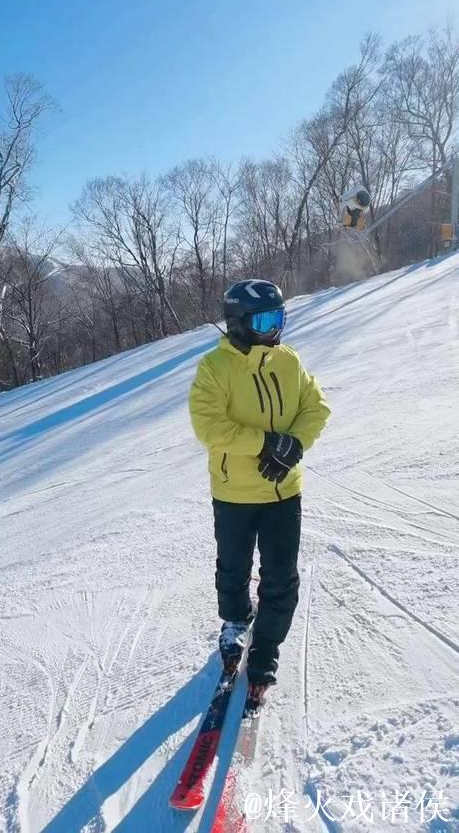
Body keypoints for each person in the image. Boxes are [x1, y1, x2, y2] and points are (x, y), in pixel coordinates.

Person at [188, 279, 331, 709]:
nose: (275, 329)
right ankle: (235, 621)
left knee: (281, 578)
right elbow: (209, 427)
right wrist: (267, 443)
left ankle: (266, 649)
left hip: (284, 492)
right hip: (234, 493)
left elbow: (316, 407)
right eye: (266, 321)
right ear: (238, 323)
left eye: (280, 318)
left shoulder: (289, 361)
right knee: (233, 568)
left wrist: (294, 446)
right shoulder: (215, 368)